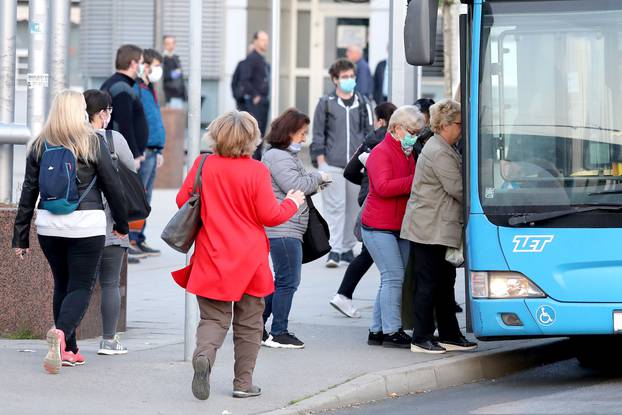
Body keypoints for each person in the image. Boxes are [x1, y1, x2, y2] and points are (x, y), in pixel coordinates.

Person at [173, 110, 305, 400]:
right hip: (250, 260)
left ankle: (204, 355)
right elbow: (270, 215)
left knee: (213, 318)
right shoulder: (257, 171)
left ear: (216, 136)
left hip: (212, 256)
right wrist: (293, 202)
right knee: (249, 323)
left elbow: (183, 201)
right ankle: (243, 383)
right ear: (252, 140)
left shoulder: (202, 164)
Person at [12, 90, 128, 373]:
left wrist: (20, 237)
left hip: (49, 225)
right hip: (86, 224)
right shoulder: (91, 141)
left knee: (62, 284)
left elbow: (28, 191)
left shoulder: (40, 144)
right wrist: (123, 226)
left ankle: (70, 350)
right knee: (80, 286)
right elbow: (112, 185)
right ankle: (61, 333)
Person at [401, 99, 478, 354]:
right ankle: (421, 338)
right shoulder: (438, 151)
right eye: (459, 124)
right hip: (428, 228)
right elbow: (457, 188)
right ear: (445, 124)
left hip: (437, 227)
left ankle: (450, 335)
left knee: (445, 284)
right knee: (429, 284)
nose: (462, 129)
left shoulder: (445, 147)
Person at [261, 109, 331, 349]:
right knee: (288, 281)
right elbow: (296, 185)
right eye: (301, 133)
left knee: (281, 281)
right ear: (288, 132)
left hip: (287, 226)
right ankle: (278, 331)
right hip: (283, 227)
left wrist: (314, 179)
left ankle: (257, 326)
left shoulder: (283, 156)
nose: (303, 139)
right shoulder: (278, 157)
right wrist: (318, 177)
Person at [362, 106, 422, 348]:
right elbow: (384, 187)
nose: (415, 136)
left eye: (418, 131)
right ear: (397, 128)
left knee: (390, 278)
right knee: (393, 277)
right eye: (411, 130)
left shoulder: (407, 152)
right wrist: (415, 181)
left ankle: (376, 330)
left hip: (400, 225)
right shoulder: (381, 152)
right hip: (378, 227)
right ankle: (392, 331)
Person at [331, 102, 397, 318]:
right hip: (384, 199)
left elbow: (349, 171)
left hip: (367, 197)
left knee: (370, 251)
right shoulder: (394, 141)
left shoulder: (370, 139)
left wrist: (368, 181)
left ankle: (344, 295)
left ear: (379, 120)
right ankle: (343, 294)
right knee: (372, 253)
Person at [84, 89, 134, 355]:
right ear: (102, 113)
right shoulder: (113, 140)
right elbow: (131, 173)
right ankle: (108, 340)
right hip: (113, 222)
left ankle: (65, 337)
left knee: (77, 283)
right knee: (110, 283)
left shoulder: (73, 140)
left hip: (80, 224)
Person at [310, 58, 373, 268]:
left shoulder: (363, 103)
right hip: (333, 164)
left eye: (351, 76)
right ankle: (334, 249)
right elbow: (318, 133)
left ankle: (347, 248)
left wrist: (366, 160)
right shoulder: (326, 103)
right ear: (335, 80)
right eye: (344, 77)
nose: (349, 80)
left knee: (353, 209)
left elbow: (369, 134)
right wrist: (321, 161)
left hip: (356, 166)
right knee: (335, 208)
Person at [100, 44, 148, 261]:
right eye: (140, 61)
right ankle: (120, 244)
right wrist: (135, 155)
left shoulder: (120, 84)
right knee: (122, 200)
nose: (142, 66)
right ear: (133, 63)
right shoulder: (121, 87)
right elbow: (124, 124)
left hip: (116, 152)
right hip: (119, 154)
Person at [130, 48, 166, 258]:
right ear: (145, 66)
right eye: (156, 65)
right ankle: (132, 238)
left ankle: (139, 236)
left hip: (152, 149)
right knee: (138, 195)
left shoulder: (148, 87)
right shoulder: (136, 88)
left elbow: (154, 120)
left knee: (146, 197)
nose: (158, 70)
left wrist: (159, 149)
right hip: (143, 150)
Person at [237, 31, 271, 159]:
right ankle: (253, 162)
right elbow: (244, 80)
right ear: (255, 41)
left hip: (262, 102)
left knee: (260, 134)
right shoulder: (251, 58)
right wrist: (255, 95)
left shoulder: (261, 59)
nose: (265, 43)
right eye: (262, 40)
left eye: (266, 40)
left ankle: (256, 162)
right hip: (255, 103)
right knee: (254, 134)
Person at [162, 35, 187, 108]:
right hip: (169, 96)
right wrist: (175, 73)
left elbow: (180, 77)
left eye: (173, 43)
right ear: (164, 45)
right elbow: (164, 76)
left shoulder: (176, 58)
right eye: (168, 43)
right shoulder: (162, 59)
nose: (171, 46)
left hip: (179, 95)